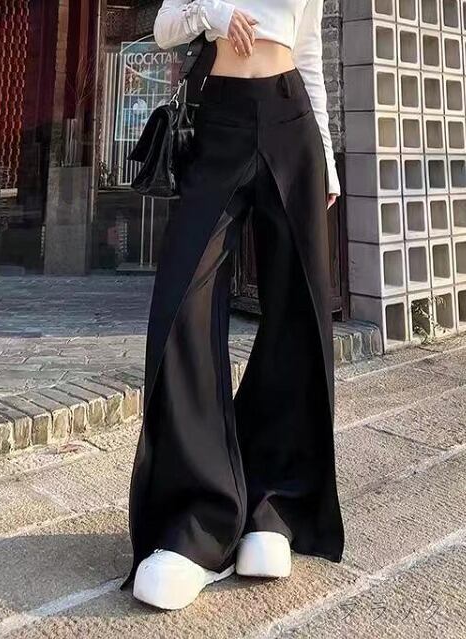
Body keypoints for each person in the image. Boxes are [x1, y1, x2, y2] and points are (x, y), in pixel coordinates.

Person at [121, 0, 345, 610]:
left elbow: (308, 55)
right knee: (181, 306)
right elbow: (165, 28)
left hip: (291, 120)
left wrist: (325, 154)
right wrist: (215, 15)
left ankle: (273, 503)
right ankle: (199, 521)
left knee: (297, 310)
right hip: (218, 121)